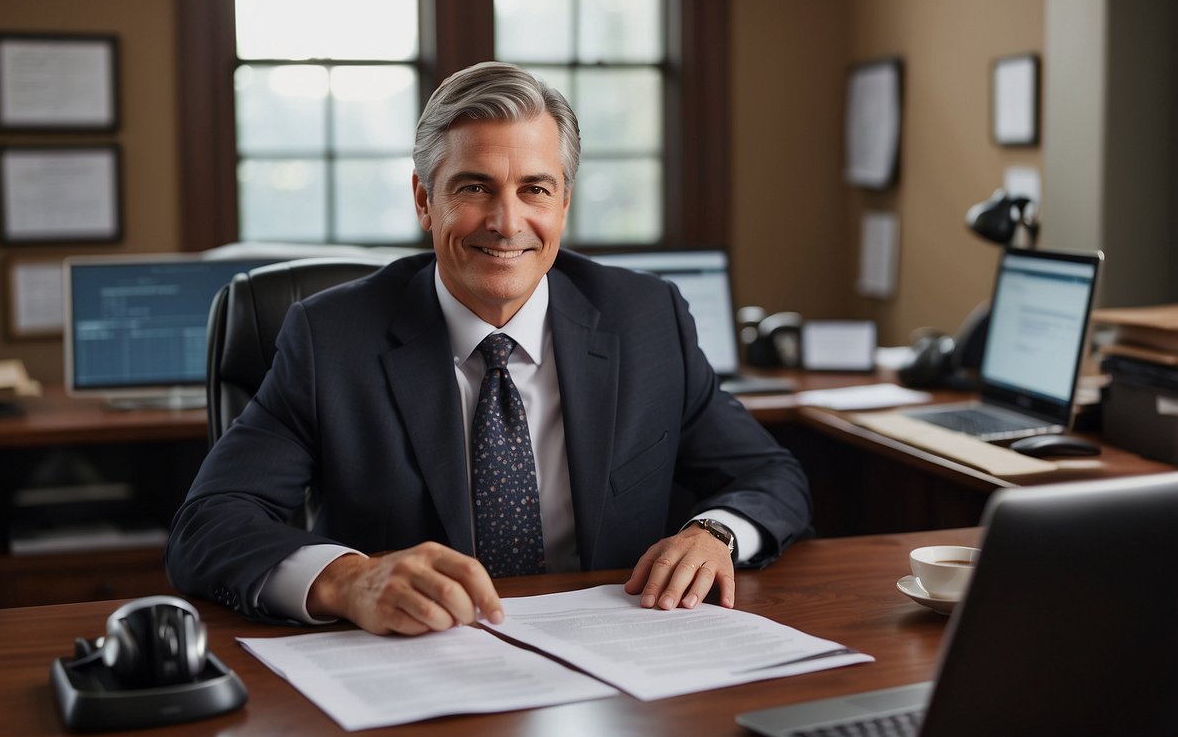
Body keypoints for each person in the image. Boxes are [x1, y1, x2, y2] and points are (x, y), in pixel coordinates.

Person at [165, 61, 811, 636]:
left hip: (618, 653)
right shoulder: (331, 337)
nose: (506, 222)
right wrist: (346, 580)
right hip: (417, 662)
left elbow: (767, 476)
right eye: (473, 188)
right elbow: (211, 524)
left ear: (563, 204)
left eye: (534, 189)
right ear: (425, 200)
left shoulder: (644, 319)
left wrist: (715, 531)